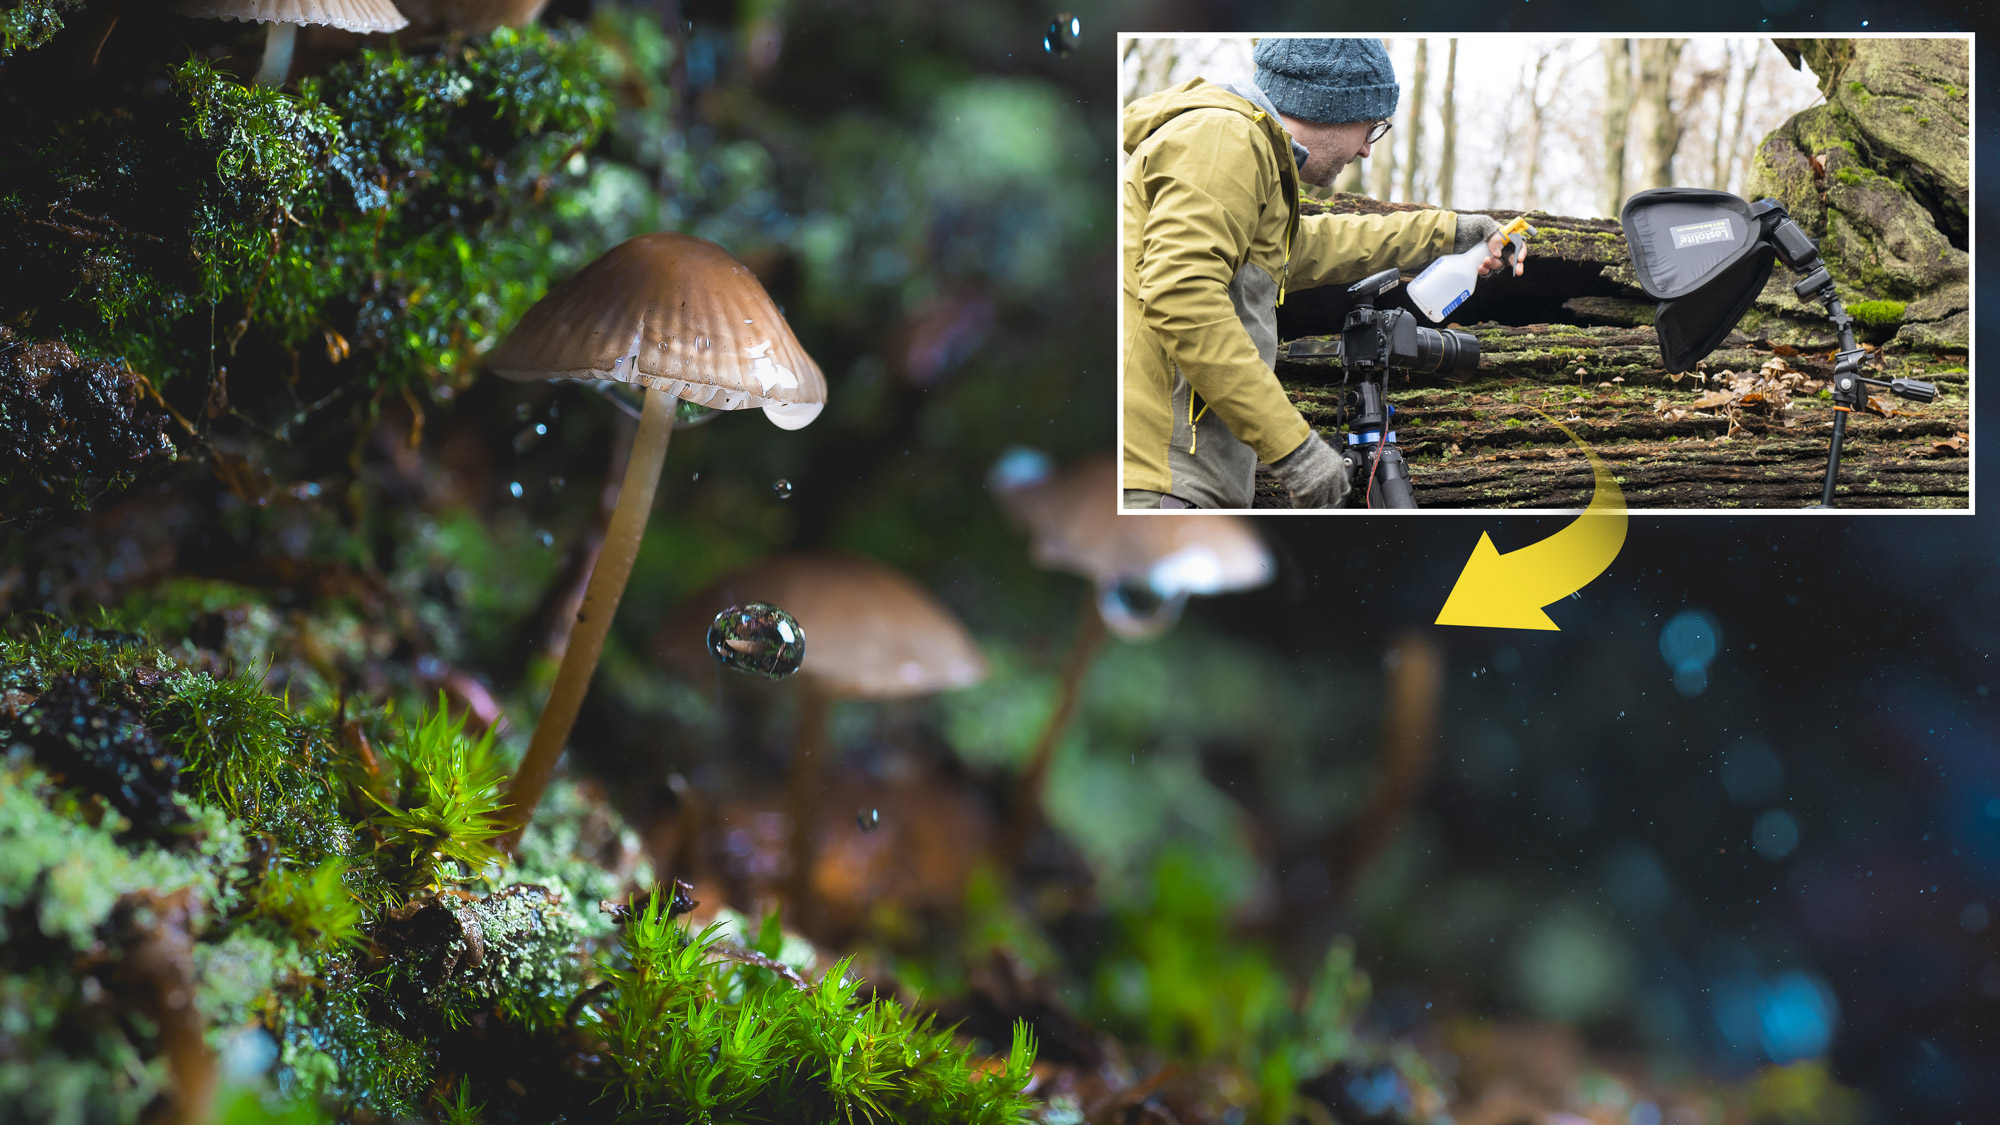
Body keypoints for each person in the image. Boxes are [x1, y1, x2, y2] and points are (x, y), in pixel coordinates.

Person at [1121, 38, 1525, 510]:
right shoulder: (1222, 139)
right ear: (1331, 107)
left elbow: (1310, 246)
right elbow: (1181, 296)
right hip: (1160, 480)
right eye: (1370, 129)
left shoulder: (1247, 151)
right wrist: (1294, 448)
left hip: (1179, 479)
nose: (1366, 151)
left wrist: (1451, 231)